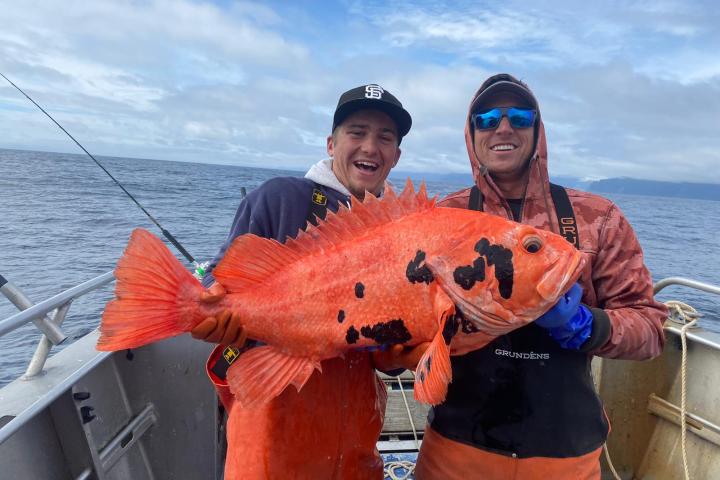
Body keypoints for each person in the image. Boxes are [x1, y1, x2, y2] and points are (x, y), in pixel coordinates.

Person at [414, 73, 668, 479]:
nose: (503, 127)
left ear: (538, 130)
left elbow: (651, 329)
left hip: (566, 455)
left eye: (519, 116)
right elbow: (409, 312)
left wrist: (589, 326)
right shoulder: (443, 218)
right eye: (486, 118)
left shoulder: (598, 218)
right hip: (456, 450)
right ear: (471, 131)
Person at [188, 84, 423, 480]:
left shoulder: (401, 231)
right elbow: (223, 273)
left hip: (357, 436)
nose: (370, 146)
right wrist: (214, 302)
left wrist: (398, 353)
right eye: (357, 132)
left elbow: (386, 340)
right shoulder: (280, 198)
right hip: (271, 425)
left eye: (385, 138)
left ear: (396, 156)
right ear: (331, 143)